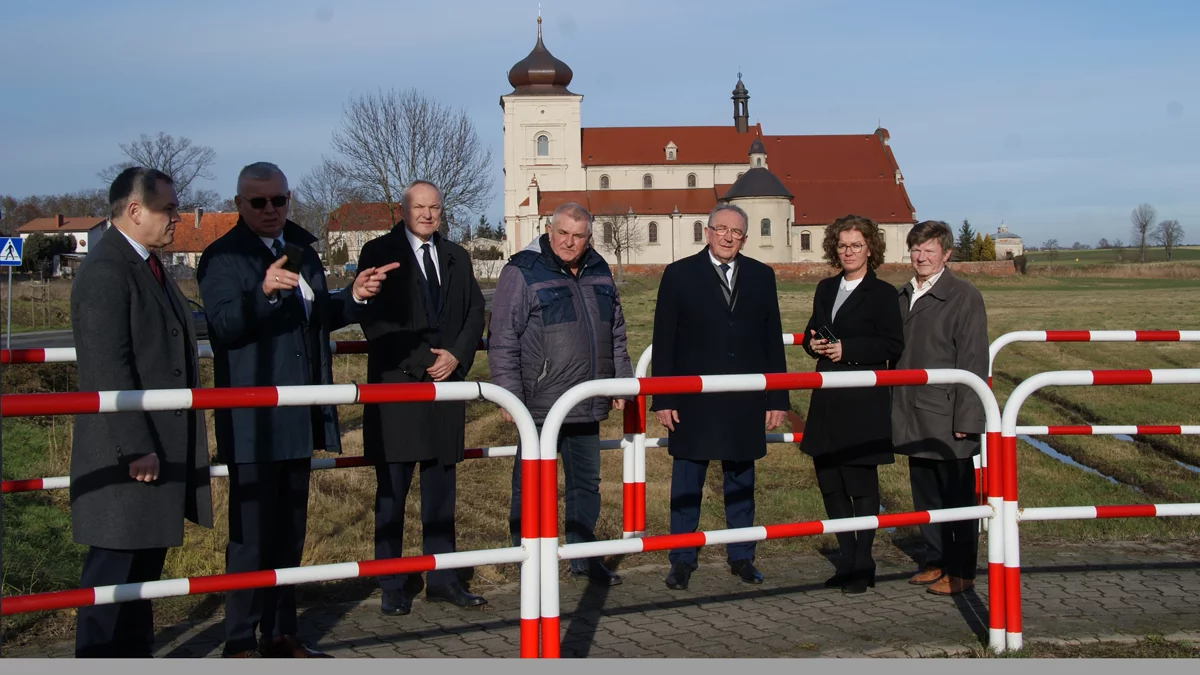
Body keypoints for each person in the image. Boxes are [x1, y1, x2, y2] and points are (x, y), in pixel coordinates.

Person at [198, 162, 396, 658]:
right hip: (252, 421)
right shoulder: (221, 257)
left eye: (279, 201)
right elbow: (222, 327)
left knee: (290, 533)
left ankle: (281, 634)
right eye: (259, 202)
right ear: (240, 204)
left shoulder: (304, 254)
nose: (271, 211)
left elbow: (318, 316)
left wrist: (354, 296)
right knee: (250, 539)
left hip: (300, 415)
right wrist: (262, 292)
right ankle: (240, 641)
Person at [67, 167, 214, 658]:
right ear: (134, 211)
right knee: (112, 577)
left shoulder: (148, 264)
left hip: (154, 449)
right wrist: (136, 445)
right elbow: (108, 366)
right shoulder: (107, 269)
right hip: (127, 454)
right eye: (169, 209)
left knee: (140, 582)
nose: (177, 218)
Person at [354, 180, 488, 616]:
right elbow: (374, 321)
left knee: (441, 488)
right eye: (419, 207)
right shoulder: (378, 252)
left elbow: (474, 312)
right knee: (392, 490)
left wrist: (456, 356)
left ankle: (442, 578)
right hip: (397, 387)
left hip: (446, 389)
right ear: (403, 209)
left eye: (434, 208)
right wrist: (421, 361)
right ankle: (391, 582)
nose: (428, 215)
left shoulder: (456, 256)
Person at [488, 202, 633, 587]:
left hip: (586, 397)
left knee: (586, 484)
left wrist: (621, 380)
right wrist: (508, 395)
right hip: (538, 402)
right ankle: (527, 559)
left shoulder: (600, 269)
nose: (570, 242)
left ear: (589, 237)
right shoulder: (522, 270)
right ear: (549, 232)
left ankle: (584, 557)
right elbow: (502, 337)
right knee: (533, 484)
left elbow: (615, 329)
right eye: (563, 233)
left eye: (579, 235)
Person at [650, 203, 789, 591]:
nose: (729, 237)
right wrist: (663, 397)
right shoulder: (678, 275)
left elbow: (771, 340)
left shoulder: (762, 276)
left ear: (744, 238)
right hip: (693, 397)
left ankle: (742, 555)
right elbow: (665, 340)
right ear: (708, 232)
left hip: (744, 396)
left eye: (737, 233)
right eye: (722, 229)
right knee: (687, 482)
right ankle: (681, 558)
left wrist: (777, 396)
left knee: (741, 480)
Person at [799, 215, 904, 594]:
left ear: (870, 249)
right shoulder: (826, 287)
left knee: (859, 481)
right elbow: (813, 327)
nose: (848, 252)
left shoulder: (883, 294)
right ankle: (847, 559)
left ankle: (864, 562)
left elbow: (892, 345)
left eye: (855, 245)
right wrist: (814, 343)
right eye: (842, 245)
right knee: (829, 481)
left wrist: (848, 350)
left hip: (862, 397)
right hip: (828, 395)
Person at [892, 220, 989, 596]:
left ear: (946, 254)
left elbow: (973, 359)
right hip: (911, 410)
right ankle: (935, 561)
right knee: (925, 494)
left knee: (957, 497)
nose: (921, 257)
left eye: (930, 250)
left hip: (947, 413)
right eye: (916, 249)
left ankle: (961, 571)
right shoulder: (903, 294)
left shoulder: (964, 296)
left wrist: (968, 418)